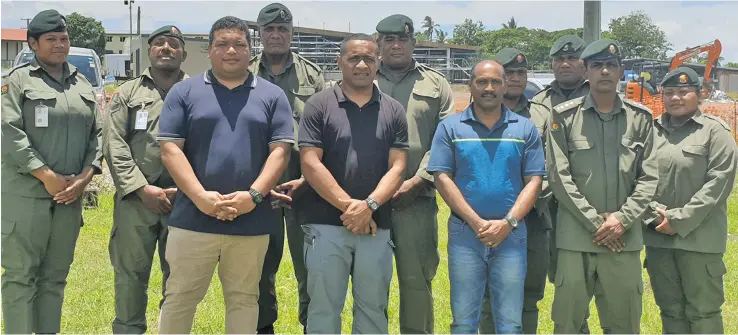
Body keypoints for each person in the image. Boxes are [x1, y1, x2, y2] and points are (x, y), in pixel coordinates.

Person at [155, 16, 293, 333]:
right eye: (222, 44)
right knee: (179, 299)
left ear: (250, 49)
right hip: (192, 218)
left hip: (251, 219)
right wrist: (201, 197)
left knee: (245, 300)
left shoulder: (272, 96)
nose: (231, 50)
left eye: (239, 44)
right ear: (209, 49)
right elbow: (170, 150)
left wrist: (253, 196)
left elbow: (280, 152)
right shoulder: (183, 92)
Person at [298, 33, 408, 334]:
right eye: (354, 58)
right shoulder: (318, 105)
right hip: (325, 224)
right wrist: (353, 209)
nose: (362, 65)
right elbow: (310, 162)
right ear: (339, 62)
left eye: (369, 59)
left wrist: (369, 206)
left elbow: (398, 167)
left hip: (377, 225)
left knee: (373, 309)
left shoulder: (394, 109)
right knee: (323, 309)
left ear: (379, 63)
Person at [0, 9, 103, 334]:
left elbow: (97, 135)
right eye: (51, 39)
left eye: (64, 39)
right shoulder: (16, 82)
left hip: (68, 200)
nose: (60, 45)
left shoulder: (82, 83)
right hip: (26, 197)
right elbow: (9, 132)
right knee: (20, 277)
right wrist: (45, 174)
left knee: (55, 277)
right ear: (33, 43)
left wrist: (86, 177)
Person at [546, 39, 659, 334]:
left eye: (611, 65)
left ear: (621, 71)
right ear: (586, 70)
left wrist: (620, 220)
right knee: (568, 324)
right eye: (597, 66)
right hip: (575, 241)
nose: (605, 71)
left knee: (624, 324)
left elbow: (649, 178)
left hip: (623, 241)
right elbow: (559, 176)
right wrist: (598, 223)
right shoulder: (563, 117)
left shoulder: (642, 120)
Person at [428, 59, 545, 334]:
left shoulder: (525, 128)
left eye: (495, 82)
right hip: (465, 234)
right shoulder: (451, 128)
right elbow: (442, 177)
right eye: (481, 81)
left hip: (512, 235)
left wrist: (508, 222)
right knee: (464, 321)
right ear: (470, 85)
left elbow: (534, 181)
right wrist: (475, 221)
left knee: (510, 322)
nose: (488, 88)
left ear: (505, 86)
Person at [102, 24, 188, 334]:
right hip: (136, 203)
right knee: (129, 277)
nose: (166, 48)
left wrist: (186, 189)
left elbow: (209, 145)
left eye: (173, 44)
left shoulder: (200, 92)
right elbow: (113, 143)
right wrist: (141, 188)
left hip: (183, 202)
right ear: (149, 51)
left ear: (184, 53)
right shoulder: (128, 92)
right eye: (159, 43)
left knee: (179, 280)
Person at [374, 14, 455, 334]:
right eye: (389, 40)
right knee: (369, 282)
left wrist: (420, 178)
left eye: (402, 39)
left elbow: (447, 138)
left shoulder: (436, 84)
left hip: (417, 202)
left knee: (417, 282)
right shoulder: (362, 76)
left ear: (413, 42)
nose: (396, 45)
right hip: (369, 202)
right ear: (379, 42)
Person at [248, 4, 325, 333]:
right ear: (261, 34)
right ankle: (263, 327)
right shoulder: (245, 71)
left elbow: (326, 131)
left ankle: (312, 326)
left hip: (304, 190)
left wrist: (306, 180)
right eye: (269, 30)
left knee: (311, 268)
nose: (276, 35)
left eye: (282, 29)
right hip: (256, 189)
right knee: (258, 269)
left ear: (292, 33)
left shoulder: (312, 75)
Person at [644, 67, 736, 334]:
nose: (676, 98)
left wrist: (678, 219)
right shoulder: (651, 131)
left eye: (684, 92)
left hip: (699, 241)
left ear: (700, 94)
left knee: (703, 312)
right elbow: (638, 178)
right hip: (658, 237)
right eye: (669, 92)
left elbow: (718, 184)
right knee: (670, 310)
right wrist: (654, 216)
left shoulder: (715, 133)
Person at [477, 48, 550, 335]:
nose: (516, 79)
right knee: (487, 297)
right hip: (487, 220)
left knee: (529, 297)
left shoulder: (542, 115)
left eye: (521, 72)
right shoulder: (477, 113)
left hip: (532, 220)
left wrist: (523, 206)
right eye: (509, 73)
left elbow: (552, 167)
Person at [528, 35, 591, 333]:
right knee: (540, 283)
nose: (565, 63)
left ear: (584, 62)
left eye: (572, 58)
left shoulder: (599, 98)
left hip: (586, 211)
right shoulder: (538, 103)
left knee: (578, 292)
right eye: (558, 59)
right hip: (544, 210)